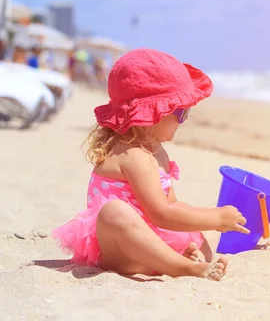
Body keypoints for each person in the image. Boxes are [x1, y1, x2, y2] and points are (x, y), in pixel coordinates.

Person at [52, 48, 250, 280]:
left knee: (197, 236)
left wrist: (205, 220)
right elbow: (160, 214)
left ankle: (179, 258)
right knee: (114, 212)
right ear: (152, 114)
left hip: (149, 238)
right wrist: (216, 219)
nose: (184, 120)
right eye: (182, 112)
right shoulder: (134, 155)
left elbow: (172, 205)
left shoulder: (158, 153)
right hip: (119, 248)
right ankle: (182, 267)